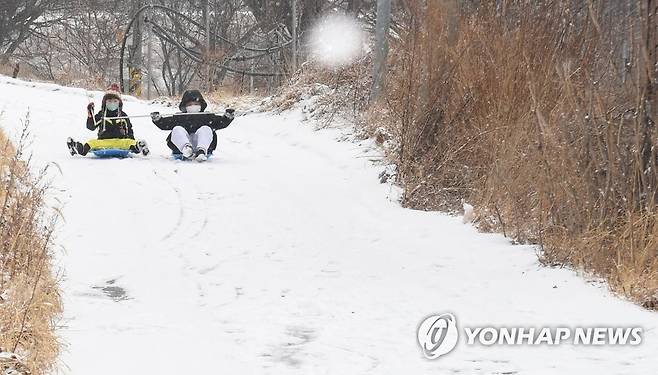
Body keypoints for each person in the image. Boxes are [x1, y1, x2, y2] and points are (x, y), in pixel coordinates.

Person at [150, 89, 235, 162]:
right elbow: (165, 124)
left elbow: (221, 122)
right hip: (182, 147)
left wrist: (228, 117)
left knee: (206, 129)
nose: (193, 106)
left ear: (201, 105)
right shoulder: (180, 117)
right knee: (177, 129)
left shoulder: (207, 117)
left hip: (203, 146)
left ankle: (201, 151)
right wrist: (158, 119)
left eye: (196, 104)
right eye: (190, 105)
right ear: (185, 107)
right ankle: (186, 150)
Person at [67, 83, 149, 156]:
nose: (112, 103)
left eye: (115, 101)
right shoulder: (101, 115)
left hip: (120, 142)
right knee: (91, 142)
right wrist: (90, 115)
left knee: (130, 142)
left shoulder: (123, 116)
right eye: (109, 101)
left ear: (119, 103)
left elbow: (129, 130)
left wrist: (131, 142)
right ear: (105, 102)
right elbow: (91, 126)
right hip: (103, 142)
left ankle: (140, 147)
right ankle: (77, 147)